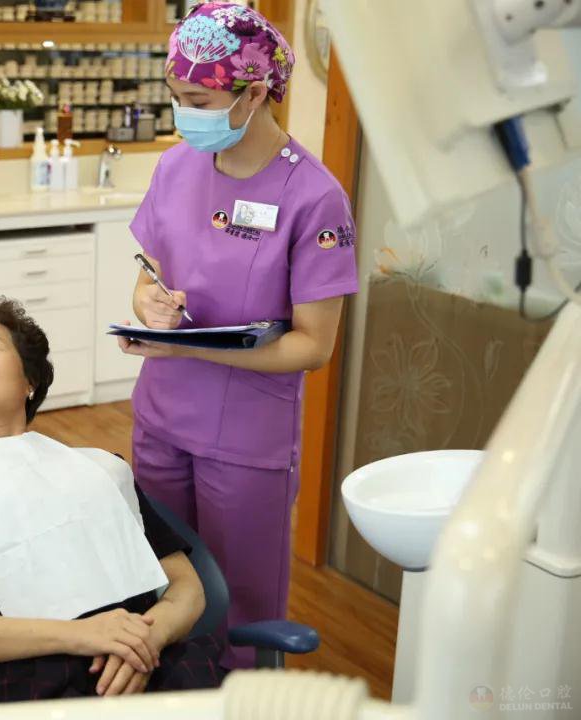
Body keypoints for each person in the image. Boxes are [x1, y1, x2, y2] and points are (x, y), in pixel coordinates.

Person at [117, 3, 359, 667]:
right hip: (161, 420)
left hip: (245, 441)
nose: (182, 113)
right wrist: (148, 303)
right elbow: (149, 274)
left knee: (238, 609)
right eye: (176, 97)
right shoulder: (176, 169)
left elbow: (314, 345)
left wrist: (184, 346)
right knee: (160, 584)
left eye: (197, 101)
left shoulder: (315, 198)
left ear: (254, 94)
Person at [0, 296, 227, 705]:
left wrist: (148, 638)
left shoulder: (102, 469)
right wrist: (81, 635)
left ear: (29, 381)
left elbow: (187, 586)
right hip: (29, 690)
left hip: (154, 668)